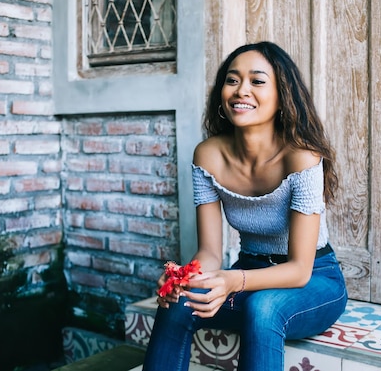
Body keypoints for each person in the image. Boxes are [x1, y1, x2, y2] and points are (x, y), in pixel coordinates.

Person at [142, 41, 347, 371]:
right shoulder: (208, 155)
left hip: (313, 282)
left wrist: (231, 281)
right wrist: (184, 279)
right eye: (233, 80)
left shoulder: (303, 157)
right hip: (248, 269)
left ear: (283, 95)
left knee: (264, 308)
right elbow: (209, 251)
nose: (242, 91)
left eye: (258, 81)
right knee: (179, 301)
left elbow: (299, 269)